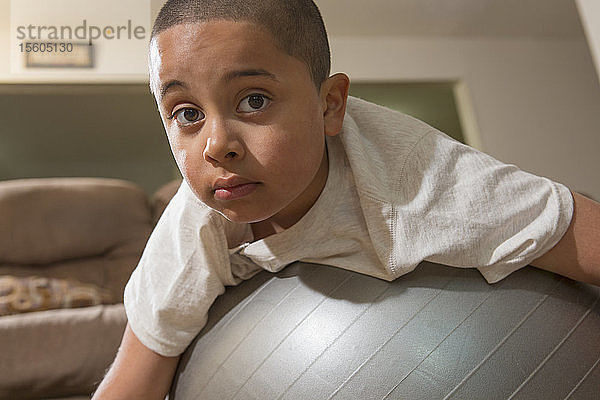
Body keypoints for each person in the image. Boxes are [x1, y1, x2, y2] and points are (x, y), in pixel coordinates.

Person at [92, 0, 600, 398]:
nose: (215, 144)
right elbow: (134, 381)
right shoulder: (195, 223)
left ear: (329, 105)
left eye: (253, 100)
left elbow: (586, 235)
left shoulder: (422, 182)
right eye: (186, 113)